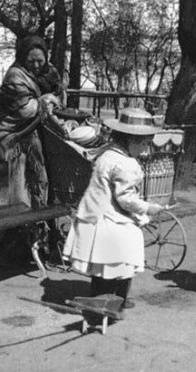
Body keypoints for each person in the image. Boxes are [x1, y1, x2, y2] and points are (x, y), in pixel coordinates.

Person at [61, 108, 165, 311]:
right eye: (144, 144)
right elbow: (126, 199)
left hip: (94, 213)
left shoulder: (107, 154)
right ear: (131, 140)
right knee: (123, 252)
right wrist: (148, 208)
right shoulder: (125, 164)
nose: (145, 149)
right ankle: (110, 301)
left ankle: (109, 298)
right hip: (109, 218)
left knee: (103, 264)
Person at [0, 35, 63, 209]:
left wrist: (52, 98)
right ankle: (17, 225)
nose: (36, 65)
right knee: (20, 189)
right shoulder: (15, 76)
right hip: (13, 136)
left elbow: (60, 95)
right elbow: (25, 110)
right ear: (23, 58)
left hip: (38, 131)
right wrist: (47, 99)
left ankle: (39, 221)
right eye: (31, 61)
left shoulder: (50, 71)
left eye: (40, 60)